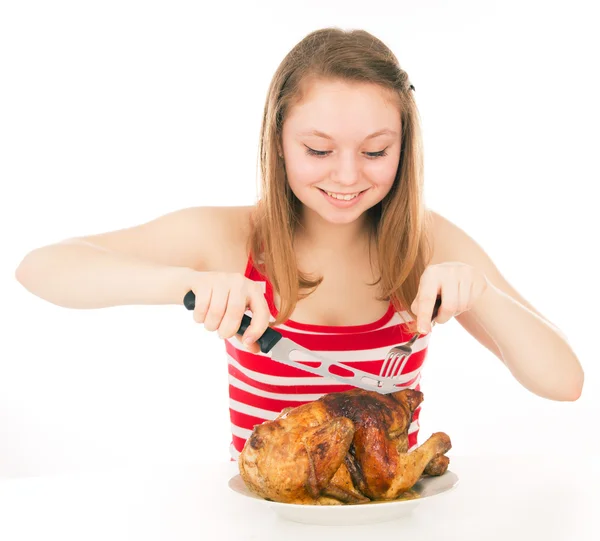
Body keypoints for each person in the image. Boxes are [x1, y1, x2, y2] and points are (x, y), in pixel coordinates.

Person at [15, 27, 584, 461]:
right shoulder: (228, 237)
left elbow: (564, 382)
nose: (345, 176)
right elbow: (41, 268)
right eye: (318, 150)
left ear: (404, 149)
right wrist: (185, 285)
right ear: (278, 143)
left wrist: (477, 290)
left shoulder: (426, 241)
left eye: (375, 151)